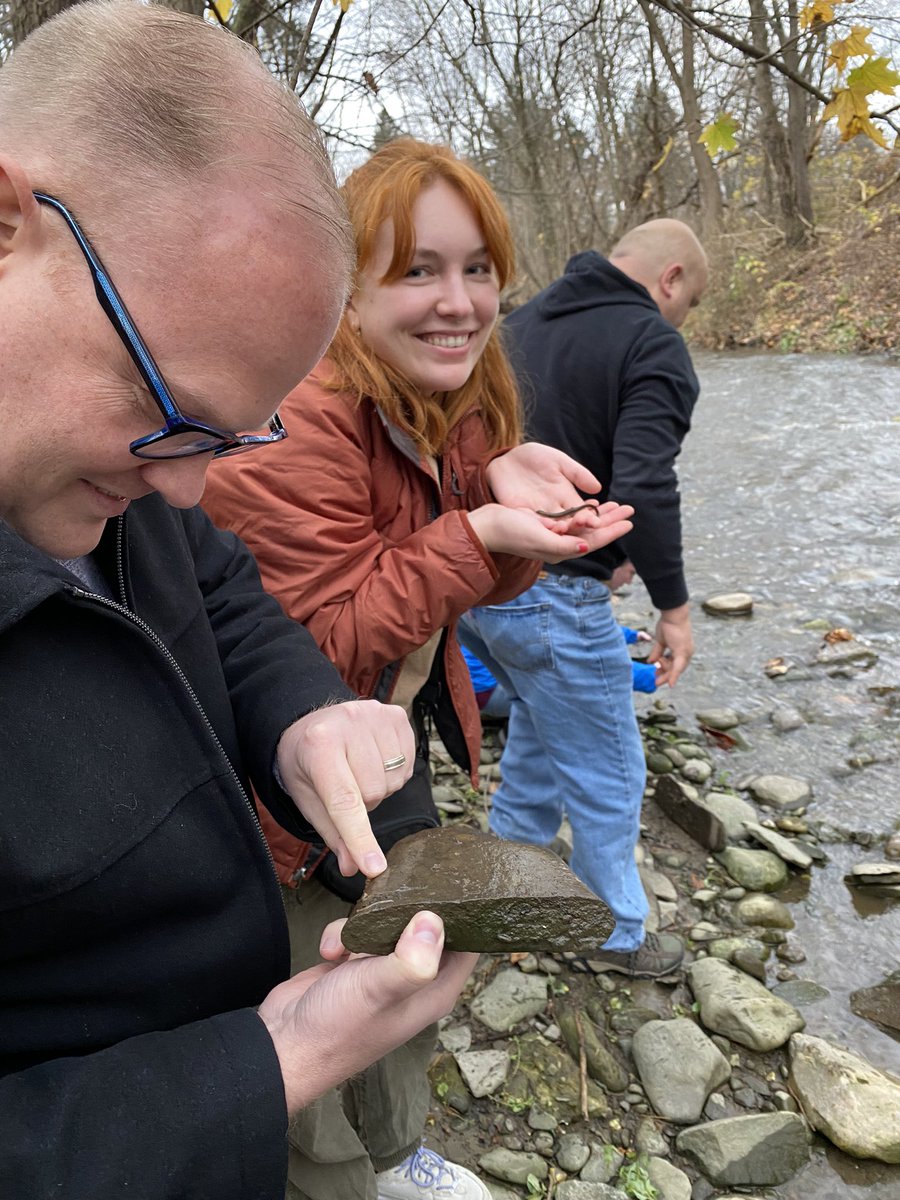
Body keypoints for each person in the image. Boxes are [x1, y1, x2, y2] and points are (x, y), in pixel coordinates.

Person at [0, 6, 487, 1198]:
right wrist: (278, 1060)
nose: (183, 485)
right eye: (168, 406)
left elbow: (218, 585)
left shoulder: (127, 485)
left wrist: (301, 713)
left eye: (230, 434)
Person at [202, 139, 633, 1200]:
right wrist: (482, 529)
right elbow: (312, 651)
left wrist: (516, 521)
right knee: (309, 992)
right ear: (345, 286)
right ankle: (333, 1181)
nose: (459, 302)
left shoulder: (455, 398)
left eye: (478, 268)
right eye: (417, 270)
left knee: (417, 957)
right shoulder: (292, 416)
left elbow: (456, 595)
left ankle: (398, 1154)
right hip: (286, 783)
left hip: (398, 750)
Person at [458, 220, 708, 979]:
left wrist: (610, 555)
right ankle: (619, 936)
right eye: (686, 303)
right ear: (669, 280)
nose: (679, 320)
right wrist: (674, 607)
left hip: (476, 581)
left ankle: (510, 891)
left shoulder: (517, 324)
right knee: (611, 768)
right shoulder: (651, 342)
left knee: (537, 726)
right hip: (552, 597)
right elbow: (644, 482)